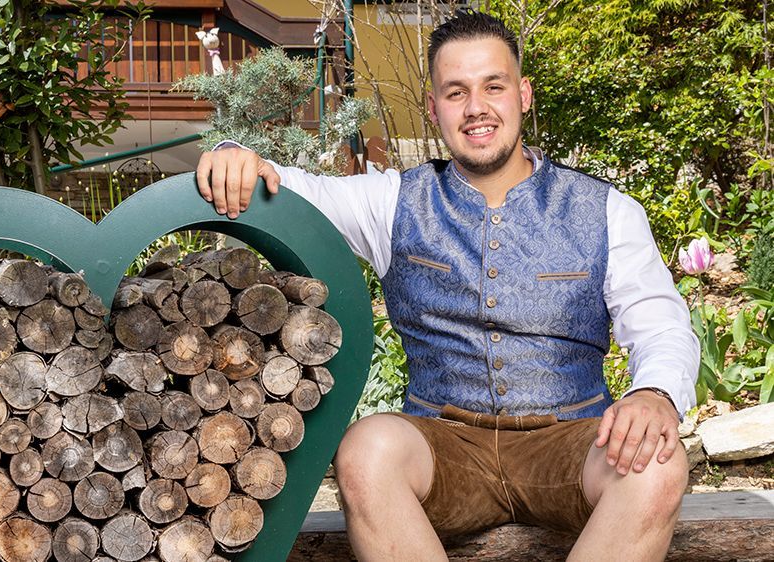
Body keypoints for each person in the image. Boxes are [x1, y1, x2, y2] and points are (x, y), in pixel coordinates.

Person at [195, 10, 698, 561]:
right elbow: (291, 194)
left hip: (573, 444)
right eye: (456, 92)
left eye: (494, 86)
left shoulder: (605, 211)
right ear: (434, 109)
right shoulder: (393, 202)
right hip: (443, 448)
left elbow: (662, 324)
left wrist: (654, 395)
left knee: (658, 461)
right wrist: (230, 157)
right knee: (366, 449)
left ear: (523, 95)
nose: (476, 107)